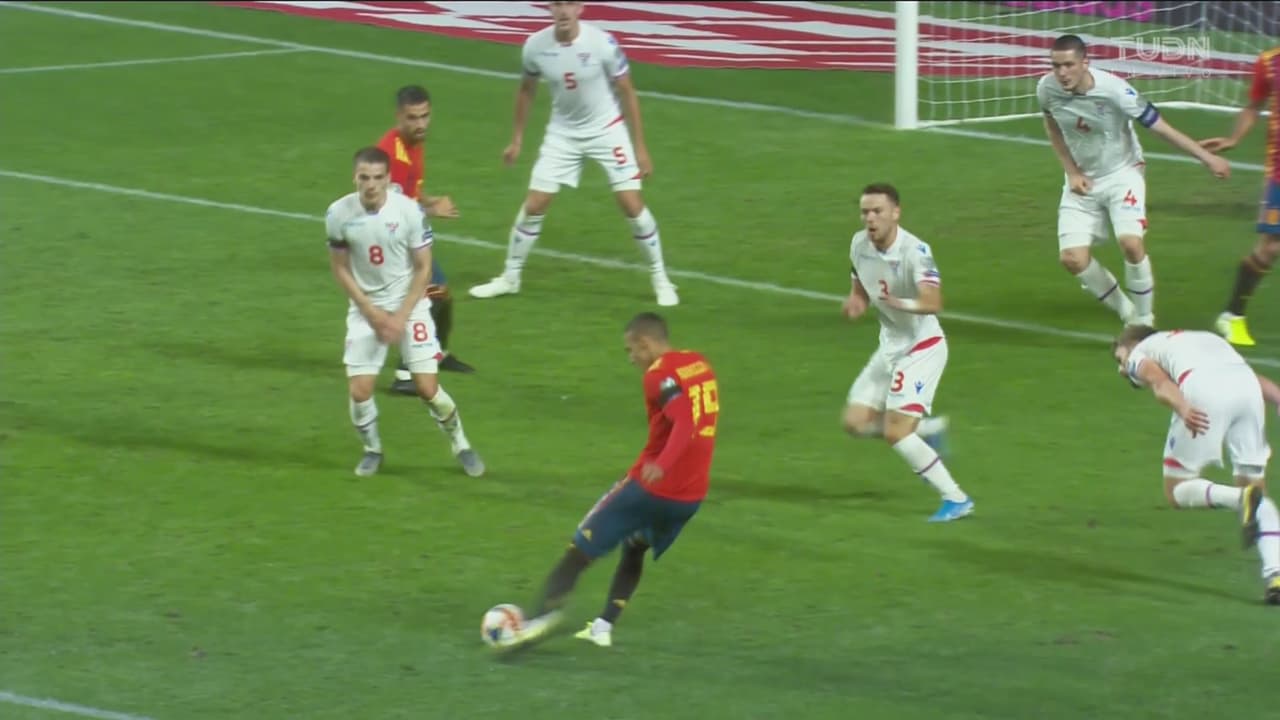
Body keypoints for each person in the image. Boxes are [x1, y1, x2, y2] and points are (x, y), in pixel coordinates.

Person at [499, 313, 716, 650]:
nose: (631, 359)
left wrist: (662, 464)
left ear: (645, 343)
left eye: (631, 350)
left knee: (578, 551)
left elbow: (684, 421)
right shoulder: (698, 364)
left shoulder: (657, 375)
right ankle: (603, 627)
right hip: (690, 497)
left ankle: (536, 622)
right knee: (635, 546)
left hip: (651, 488)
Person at [468, 0, 678, 308]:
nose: (563, 10)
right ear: (549, 9)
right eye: (557, 4)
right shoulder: (535, 46)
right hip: (563, 133)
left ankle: (661, 278)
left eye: (569, 3)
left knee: (632, 204)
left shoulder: (602, 44)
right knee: (535, 203)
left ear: (580, 8)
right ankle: (510, 278)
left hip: (606, 129)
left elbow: (627, 91)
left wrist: (640, 147)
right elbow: (526, 89)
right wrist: (516, 140)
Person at [1038, 34, 1229, 327]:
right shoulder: (1046, 88)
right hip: (1082, 179)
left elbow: (1160, 127)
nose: (1062, 73)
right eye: (1056, 66)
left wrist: (1206, 158)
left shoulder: (1116, 91)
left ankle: (1144, 320)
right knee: (1072, 259)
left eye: (1068, 65)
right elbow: (1051, 125)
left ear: (1085, 63)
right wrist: (1072, 171)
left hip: (1122, 173)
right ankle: (1127, 311)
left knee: (1130, 243)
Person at [326, 147, 484, 479]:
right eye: (364, 177)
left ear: (388, 179)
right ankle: (373, 450)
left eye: (378, 178)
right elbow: (339, 268)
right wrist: (370, 312)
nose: (371, 185)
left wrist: (399, 317)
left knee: (427, 389)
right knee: (359, 391)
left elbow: (424, 268)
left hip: (409, 306)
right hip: (366, 308)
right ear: (355, 177)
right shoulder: (338, 214)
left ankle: (461, 444)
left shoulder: (409, 212)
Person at [1112, 325, 1280, 604]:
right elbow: (1247, 377)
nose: (1122, 369)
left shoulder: (1140, 352)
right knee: (1255, 488)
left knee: (1177, 489)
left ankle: (1240, 498)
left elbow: (1159, 383)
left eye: (1121, 359)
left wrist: (1183, 406)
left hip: (1203, 391)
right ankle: (1276, 576)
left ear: (1132, 344)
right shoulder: (1200, 338)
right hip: (1248, 392)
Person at [841, 183, 974, 523]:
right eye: (865, 212)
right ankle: (927, 432)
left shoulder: (916, 251)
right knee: (854, 423)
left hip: (922, 348)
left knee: (896, 433)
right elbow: (860, 282)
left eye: (877, 211)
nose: (870, 219)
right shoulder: (858, 244)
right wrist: (857, 301)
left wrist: (905, 303)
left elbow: (934, 301)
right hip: (890, 346)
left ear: (896, 213)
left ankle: (956, 498)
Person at [376, 85, 475, 394]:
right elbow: (391, 211)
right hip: (389, 242)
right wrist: (433, 210)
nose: (420, 124)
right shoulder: (392, 155)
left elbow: (410, 193)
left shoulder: (413, 144)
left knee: (442, 295)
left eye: (425, 116)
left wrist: (429, 200)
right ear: (399, 116)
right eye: (413, 118)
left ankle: (437, 353)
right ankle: (405, 375)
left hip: (407, 237)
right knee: (429, 296)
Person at [1199, 48, 1280, 347]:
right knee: (1271, 247)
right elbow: (1254, 106)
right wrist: (1234, 138)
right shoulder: (1270, 62)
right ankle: (1233, 314)